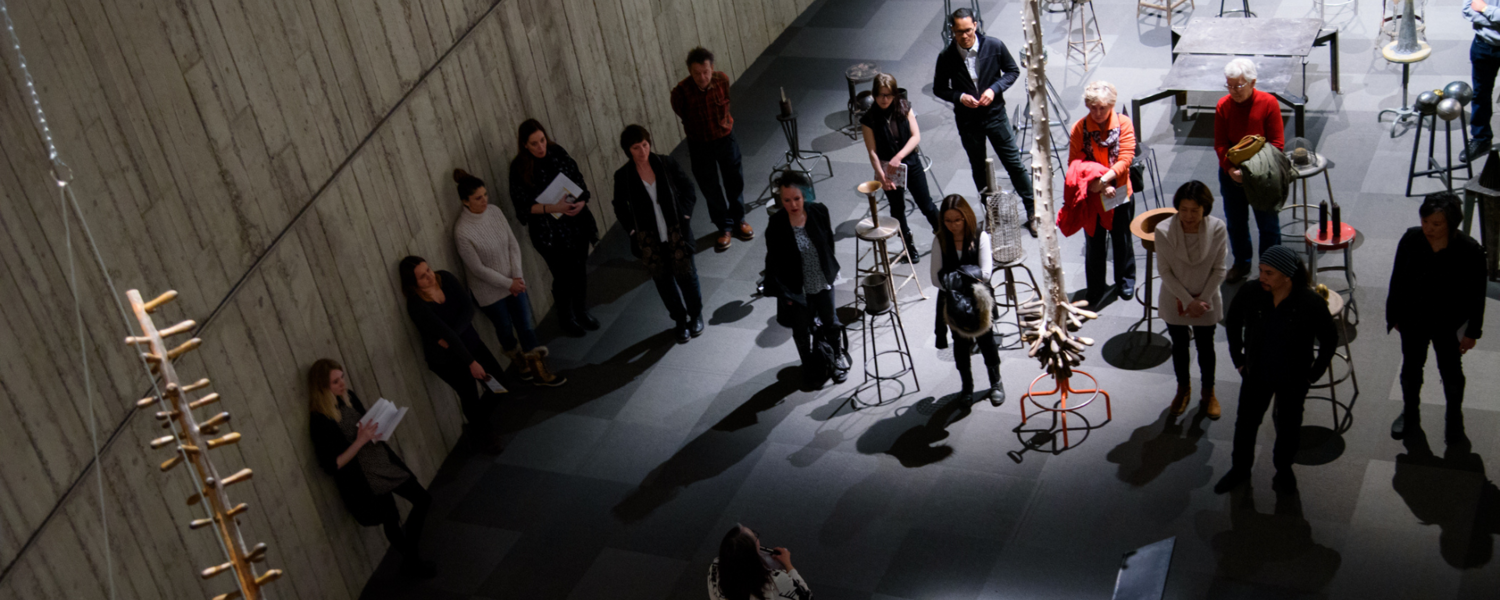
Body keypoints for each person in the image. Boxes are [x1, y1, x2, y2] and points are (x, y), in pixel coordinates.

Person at [1216, 246, 1338, 495]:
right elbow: (1232, 322)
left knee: (1289, 426)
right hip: (1256, 373)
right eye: (1261, 271)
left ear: (1287, 276)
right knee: (1246, 425)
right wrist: (1238, 359)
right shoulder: (1251, 293)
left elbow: (1330, 338)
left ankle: (1283, 469)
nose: (1262, 277)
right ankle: (1240, 469)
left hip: (1293, 378)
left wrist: (1313, 374)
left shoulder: (1309, 302)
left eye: (1269, 273)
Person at [308, 358, 435, 578]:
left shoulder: (348, 398)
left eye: (342, 377)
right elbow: (332, 465)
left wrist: (381, 427)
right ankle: (413, 562)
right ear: (322, 387)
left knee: (422, 500)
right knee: (391, 518)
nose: (342, 384)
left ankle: (411, 560)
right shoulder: (320, 419)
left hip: (382, 461)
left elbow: (367, 423)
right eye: (335, 382)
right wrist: (360, 440)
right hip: (365, 476)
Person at [1387, 192, 1488, 450]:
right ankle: (1410, 412)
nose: (1428, 229)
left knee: (1451, 372)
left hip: (1448, 323)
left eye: (1436, 224)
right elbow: (1397, 279)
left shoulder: (1469, 250)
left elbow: (1477, 296)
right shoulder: (1411, 238)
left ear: (1451, 224)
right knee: (1411, 368)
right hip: (1414, 318)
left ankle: (1454, 418)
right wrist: (1395, 314)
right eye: (1425, 222)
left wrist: (1472, 332)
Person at [452, 168, 566, 387]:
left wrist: (517, 277)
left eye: (485, 195)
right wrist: (508, 283)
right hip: (489, 292)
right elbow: (478, 269)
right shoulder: (462, 231)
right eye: (478, 198)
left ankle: (540, 372)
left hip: (514, 282)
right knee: (504, 328)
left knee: (525, 325)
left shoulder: (494, 211)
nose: (484, 200)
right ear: (465, 202)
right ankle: (519, 361)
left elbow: (512, 244)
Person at [933, 7, 1035, 233]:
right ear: (952, 31)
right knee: (978, 168)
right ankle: (992, 214)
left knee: (1014, 164)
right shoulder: (946, 56)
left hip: (995, 115)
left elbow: (1012, 71)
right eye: (959, 32)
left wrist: (994, 89)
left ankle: (1032, 210)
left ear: (976, 26)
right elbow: (939, 88)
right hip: (968, 122)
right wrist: (959, 97)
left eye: (968, 30)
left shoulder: (994, 46)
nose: (965, 36)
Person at [398, 256, 508, 451]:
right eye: (423, 277)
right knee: (470, 395)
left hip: (470, 344)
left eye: (429, 270)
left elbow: (467, 309)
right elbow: (445, 332)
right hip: (446, 360)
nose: (430, 276)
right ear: (413, 283)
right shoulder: (416, 305)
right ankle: (485, 435)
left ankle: (475, 427)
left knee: (498, 385)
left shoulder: (446, 279)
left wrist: (452, 337)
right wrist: (471, 362)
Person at [612, 124, 705, 344]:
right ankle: (680, 320)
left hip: (676, 232)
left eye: (645, 145)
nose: (643, 151)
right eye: (636, 147)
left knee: (687, 277)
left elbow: (688, 189)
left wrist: (684, 216)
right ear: (628, 150)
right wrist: (633, 230)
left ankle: (696, 315)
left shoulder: (666, 163)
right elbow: (619, 206)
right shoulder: (623, 176)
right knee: (664, 283)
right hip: (650, 240)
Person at [509, 119, 600, 337]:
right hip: (548, 232)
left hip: (575, 222)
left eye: (542, 140)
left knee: (579, 269)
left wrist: (581, 201)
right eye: (534, 144)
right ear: (524, 145)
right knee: (562, 275)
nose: (541, 147)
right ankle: (566, 317)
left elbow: (577, 178)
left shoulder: (557, 152)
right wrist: (553, 207)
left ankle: (581, 311)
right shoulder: (519, 168)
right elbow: (523, 207)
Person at [763, 172, 844, 388]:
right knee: (801, 330)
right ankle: (808, 365)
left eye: (797, 199)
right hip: (797, 288)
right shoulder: (776, 224)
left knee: (831, 321)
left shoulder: (818, 211)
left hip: (821, 279)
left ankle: (837, 357)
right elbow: (773, 260)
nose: (792, 204)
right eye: (787, 200)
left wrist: (828, 270)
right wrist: (784, 294)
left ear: (804, 195)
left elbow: (828, 243)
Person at [1155, 181, 1229, 420]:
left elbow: (1219, 270)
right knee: (1179, 346)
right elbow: (1165, 272)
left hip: (1206, 298)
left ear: (1204, 209)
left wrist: (1202, 300)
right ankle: (1182, 389)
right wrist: (1188, 300)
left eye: (1194, 210)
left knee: (1206, 348)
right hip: (1174, 296)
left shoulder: (1218, 228)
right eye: (1184, 209)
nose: (1188, 216)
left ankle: (1209, 392)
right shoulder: (1163, 230)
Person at [672, 46, 753, 252]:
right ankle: (724, 227)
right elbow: (682, 114)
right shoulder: (680, 93)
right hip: (700, 145)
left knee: (734, 180)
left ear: (712, 68)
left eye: (706, 71)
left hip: (725, 139)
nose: (702, 77)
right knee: (710, 188)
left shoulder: (722, 80)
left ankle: (739, 220)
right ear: (690, 72)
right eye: (697, 73)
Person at [1214, 58, 1285, 284]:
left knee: (1268, 226)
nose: (1233, 91)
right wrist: (1231, 169)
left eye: (1239, 86)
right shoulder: (1223, 106)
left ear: (1253, 82)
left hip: (1262, 176)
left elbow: (1276, 144)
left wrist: (1251, 171)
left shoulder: (1268, 103)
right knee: (1236, 224)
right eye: (1229, 85)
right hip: (1232, 175)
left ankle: (1271, 269)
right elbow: (1220, 145)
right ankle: (1242, 263)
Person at [1068, 80, 1138, 303]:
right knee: (1094, 243)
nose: (1097, 113)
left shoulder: (1124, 123)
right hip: (1092, 194)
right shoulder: (1080, 128)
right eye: (1093, 107)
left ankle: (1125, 280)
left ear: (1112, 105)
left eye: (1103, 108)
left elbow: (1125, 158)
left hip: (1118, 191)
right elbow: (1075, 164)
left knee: (1122, 239)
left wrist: (1105, 180)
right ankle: (1096, 287)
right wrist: (1095, 185)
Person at [930, 195, 1004, 404]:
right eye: (947, 221)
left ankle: (996, 382)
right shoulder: (940, 240)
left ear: (966, 217)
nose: (953, 226)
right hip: (953, 303)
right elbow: (935, 278)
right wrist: (967, 277)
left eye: (957, 220)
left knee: (987, 341)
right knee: (960, 345)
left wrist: (954, 279)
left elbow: (987, 273)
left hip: (978, 301)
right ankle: (967, 387)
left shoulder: (980, 236)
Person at [861, 73, 939, 257]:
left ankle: (944, 235)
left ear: (895, 94)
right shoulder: (869, 119)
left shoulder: (904, 107)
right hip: (888, 170)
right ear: (874, 94)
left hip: (910, 162)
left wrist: (899, 156)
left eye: (888, 95)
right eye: (880, 95)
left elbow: (916, 137)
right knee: (897, 209)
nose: (884, 99)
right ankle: (908, 246)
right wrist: (882, 176)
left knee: (926, 204)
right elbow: (872, 152)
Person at [708, 525, 811, 600]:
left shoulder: (715, 567)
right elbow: (807, 596)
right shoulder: (775, 580)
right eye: (755, 537)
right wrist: (788, 565)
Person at [1464, 0, 1500, 162]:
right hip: (1483, 45)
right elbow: (1467, 11)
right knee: (1480, 94)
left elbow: (1477, 10)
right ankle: (1481, 139)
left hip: (1485, 38)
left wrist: (1484, 9)